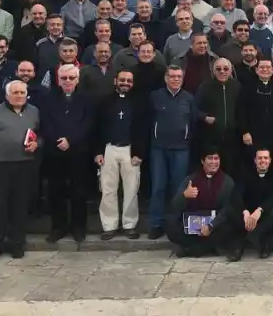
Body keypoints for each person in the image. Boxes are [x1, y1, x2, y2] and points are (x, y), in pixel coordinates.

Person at [0, 80, 41, 260]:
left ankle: (17, 246)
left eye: (22, 92)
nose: (19, 96)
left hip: (24, 165)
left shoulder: (34, 111)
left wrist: (37, 144)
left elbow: (41, 136)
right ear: (7, 95)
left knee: (19, 208)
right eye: (15, 93)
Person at [40, 64, 94, 243]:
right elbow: (45, 123)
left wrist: (70, 140)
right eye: (64, 78)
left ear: (78, 79)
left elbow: (88, 124)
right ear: (58, 79)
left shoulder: (87, 99)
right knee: (55, 192)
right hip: (54, 152)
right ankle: (59, 227)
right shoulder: (48, 98)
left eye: (71, 78)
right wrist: (58, 139)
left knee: (79, 192)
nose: (68, 81)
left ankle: (78, 227)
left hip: (78, 152)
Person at [147, 66, 201, 240]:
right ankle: (156, 224)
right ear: (166, 78)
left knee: (179, 187)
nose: (175, 80)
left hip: (181, 149)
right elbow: (148, 120)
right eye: (172, 76)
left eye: (179, 77)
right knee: (158, 186)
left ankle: (176, 221)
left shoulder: (188, 98)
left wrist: (187, 138)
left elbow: (193, 122)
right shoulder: (155, 96)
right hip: (159, 148)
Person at [95, 69, 146, 240]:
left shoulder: (139, 101)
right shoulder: (104, 101)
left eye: (129, 81)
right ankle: (109, 225)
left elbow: (143, 130)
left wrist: (140, 152)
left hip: (131, 151)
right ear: (115, 81)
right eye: (122, 80)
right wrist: (97, 152)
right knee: (108, 189)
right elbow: (97, 127)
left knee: (131, 189)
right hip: (109, 148)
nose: (125, 83)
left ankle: (129, 225)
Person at [166, 148, 235, 258]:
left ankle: (195, 250)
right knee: (170, 223)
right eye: (210, 158)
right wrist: (184, 196)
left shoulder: (227, 182)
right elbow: (174, 205)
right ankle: (208, 247)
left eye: (216, 158)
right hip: (194, 225)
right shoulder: (191, 179)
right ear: (203, 161)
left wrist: (211, 225)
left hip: (215, 225)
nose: (213, 162)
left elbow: (228, 209)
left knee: (231, 225)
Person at [225, 147, 273, 261]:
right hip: (246, 216)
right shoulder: (246, 174)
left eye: (265, 158)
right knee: (230, 210)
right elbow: (236, 193)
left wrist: (260, 210)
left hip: (263, 215)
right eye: (260, 158)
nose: (263, 161)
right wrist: (245, 211)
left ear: (270, 160)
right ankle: (241, 245)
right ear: (255, 160)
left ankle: (252, 237)